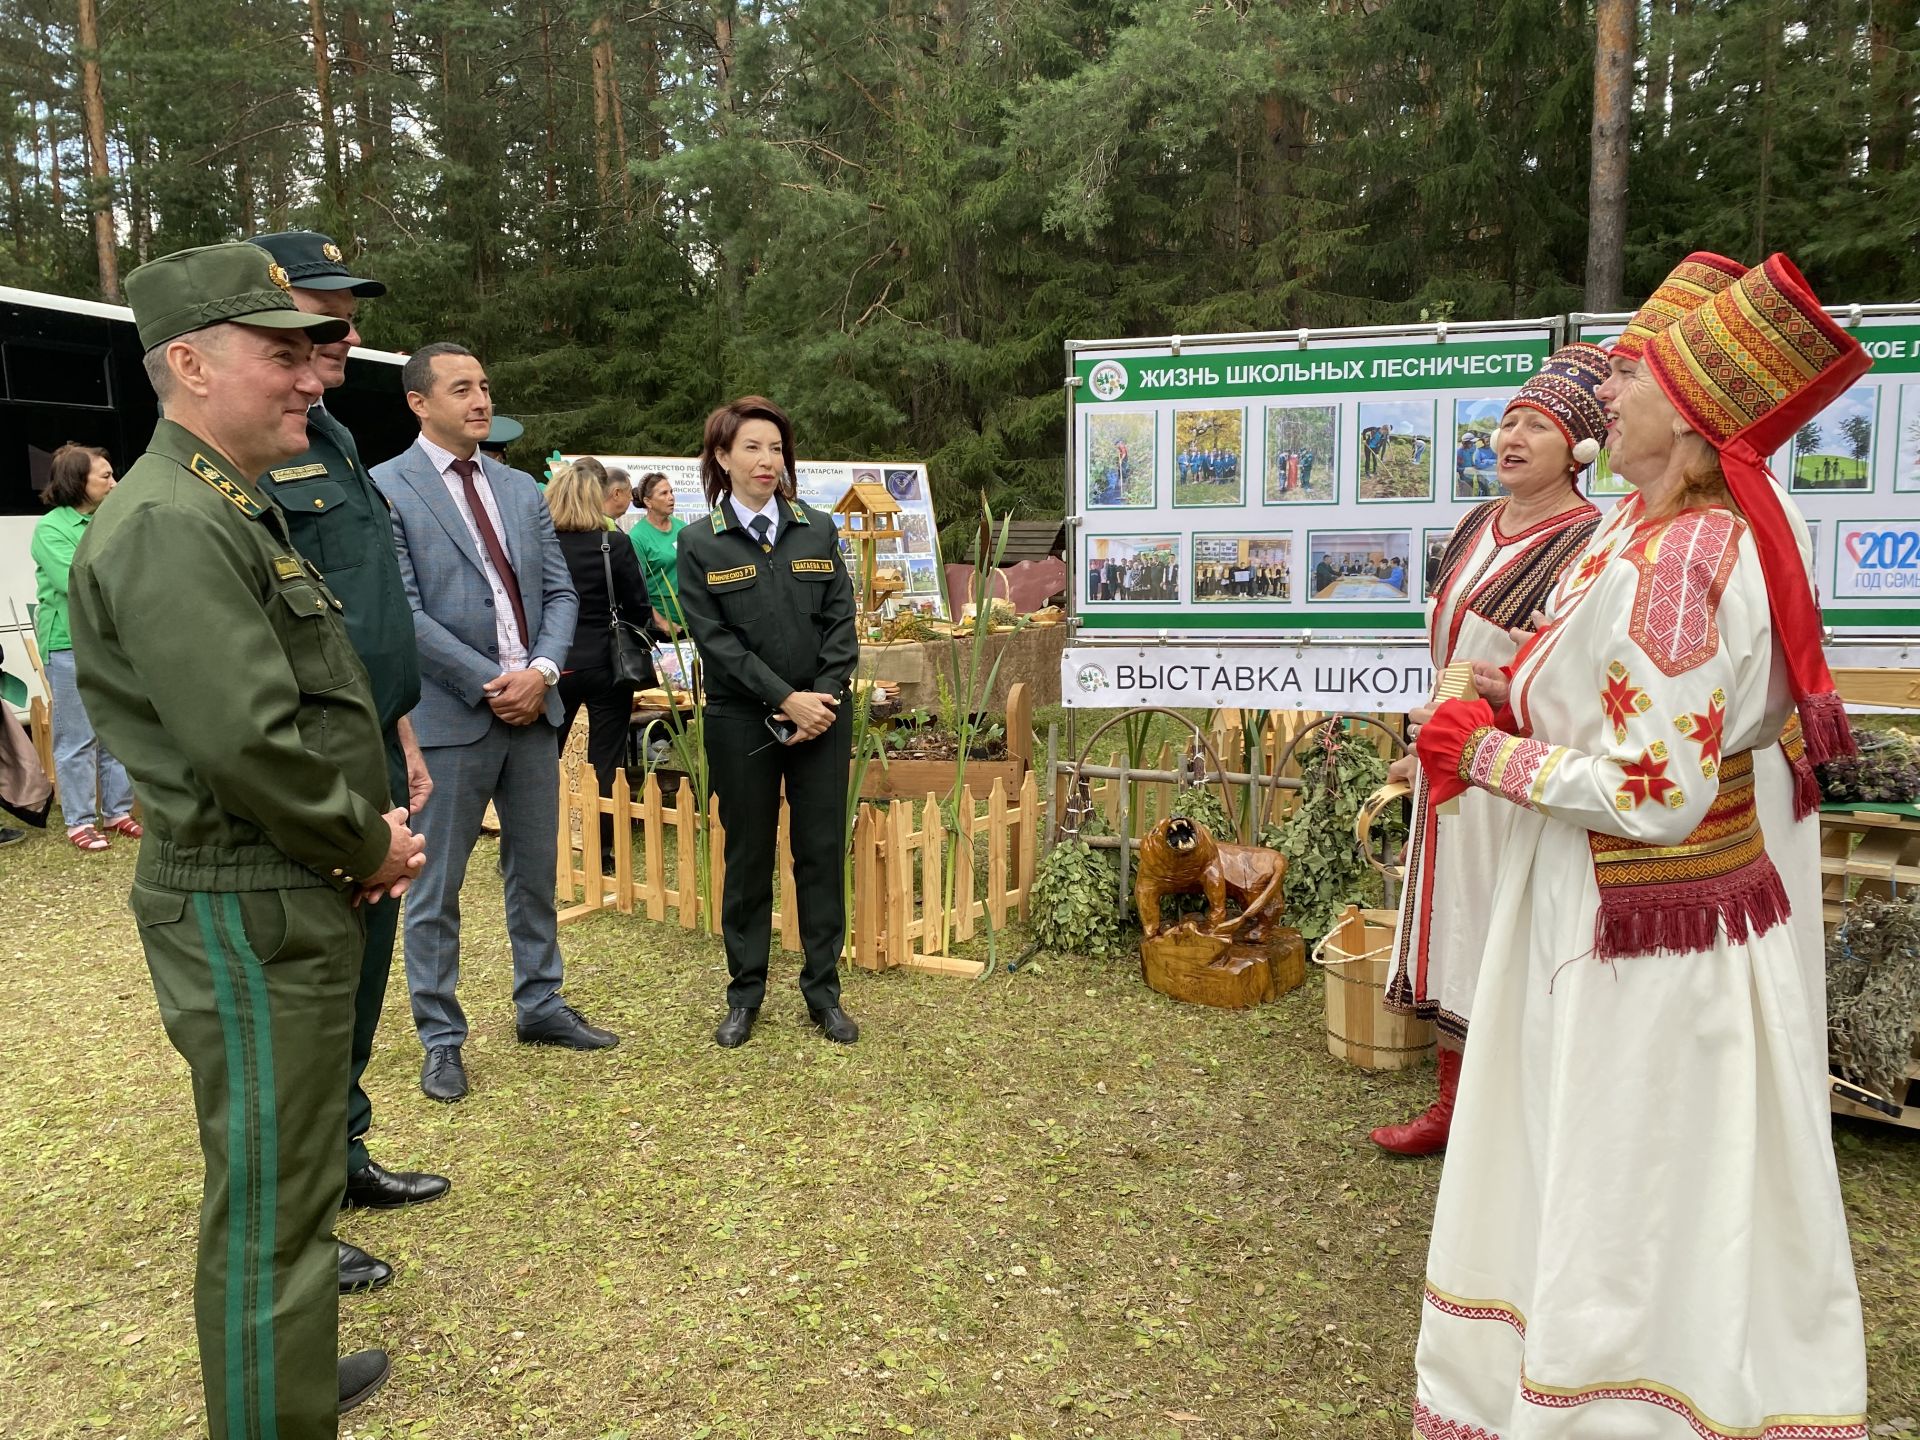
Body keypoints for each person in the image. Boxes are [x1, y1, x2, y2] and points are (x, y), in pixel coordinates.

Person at [1407, 256, 1868, 1439]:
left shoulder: (1681, 561)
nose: (1607, 392)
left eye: (1633, 375)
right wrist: (1502, 686)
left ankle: (1618, 1408)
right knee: (1609, 1167)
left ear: (1694, 417)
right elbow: (1588, 682)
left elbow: (1654, 789)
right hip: (1618, 916)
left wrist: (1483, 751)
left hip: (1637, 941)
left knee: (1627, 1175)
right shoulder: (1634, 529)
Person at [67, 241, 426, 1429]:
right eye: (281, 354)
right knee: (272, 1201)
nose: (314, 378)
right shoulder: (172, 521)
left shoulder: (220, 499)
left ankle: (293, 1384)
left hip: (277, 885)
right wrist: (361, 842)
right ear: (189, 361)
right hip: (247, 898)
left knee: (292, 1175)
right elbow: (248, 744)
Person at [248, 230, 450, 1299]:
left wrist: (402, 732)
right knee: (318, 984)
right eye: (324, 318)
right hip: (311, 755)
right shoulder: (249, 450)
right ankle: (303, 1211)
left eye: (346, 318)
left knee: (364, 970)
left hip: (373, 736)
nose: (348, 335)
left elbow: (361, 613)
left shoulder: (325, 432)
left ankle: (347, 1151)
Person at [1374, 344, 1605, 1156]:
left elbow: (1576, 667)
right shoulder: (1476, 524)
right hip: (1453, 754)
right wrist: (1425, 734)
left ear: (1579, 447)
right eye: (1507, 420)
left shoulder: (1590, 542)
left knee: (1506, 925)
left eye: (1536, 425)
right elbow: (1453, 650)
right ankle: (1452, 1108)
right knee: (1453, 920)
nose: (1511, 437)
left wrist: (1498, 704)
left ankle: (1512, 1117)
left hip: (1515, 767)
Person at [371, 341, 616, 1105]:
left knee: (534, 870)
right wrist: (489, 682)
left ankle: (540, 1004)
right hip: (451, 718)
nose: (480, 399)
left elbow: (561, 593)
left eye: (484, 385)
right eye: (461, 388)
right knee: (435, 887)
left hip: (534, 709)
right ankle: (441, 1037)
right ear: (419, 402)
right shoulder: (386, 488)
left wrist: (539, 673)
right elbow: (400, 612)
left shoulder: (518, 488)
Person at [675, 396, 861, 1050]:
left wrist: (824, 698)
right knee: (748, 855)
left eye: (776, 448)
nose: (766, 460)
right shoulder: (699, 543)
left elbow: (841, 624)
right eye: (752, 447)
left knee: (819, 853)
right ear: (722, 457)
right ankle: (744, 994)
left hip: (824, 719)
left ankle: (824, 993)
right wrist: (788, 699)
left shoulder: (817, 530)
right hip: (741, 721)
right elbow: (716, 643)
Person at [31, 442, 137, 853]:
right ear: (79, 482)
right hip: (69, 642)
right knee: (77, 736)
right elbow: (78, 581)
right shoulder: (51, 529)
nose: (116, 482)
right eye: (106, 476)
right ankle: (79, 820)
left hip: (112, 640)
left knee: (116, 731)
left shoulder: (114, 518)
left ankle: (117, 812)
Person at [546, 460, 653, 855]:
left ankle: (540, 845)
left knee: (543, 758)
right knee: (606, 760)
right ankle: (604, 850)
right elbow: (638, 607)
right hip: (608, 664)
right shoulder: (614, 544)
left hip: (554, 664)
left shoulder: (542, 545)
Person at [629, 471, 686, 639]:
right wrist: (661, 621)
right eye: (664, 493)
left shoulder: (682, 528)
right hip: (663, 627)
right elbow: (636, 587)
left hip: (691, 618)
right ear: (648, 502)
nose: (671, 497)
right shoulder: (637, 537)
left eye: (671, 492)